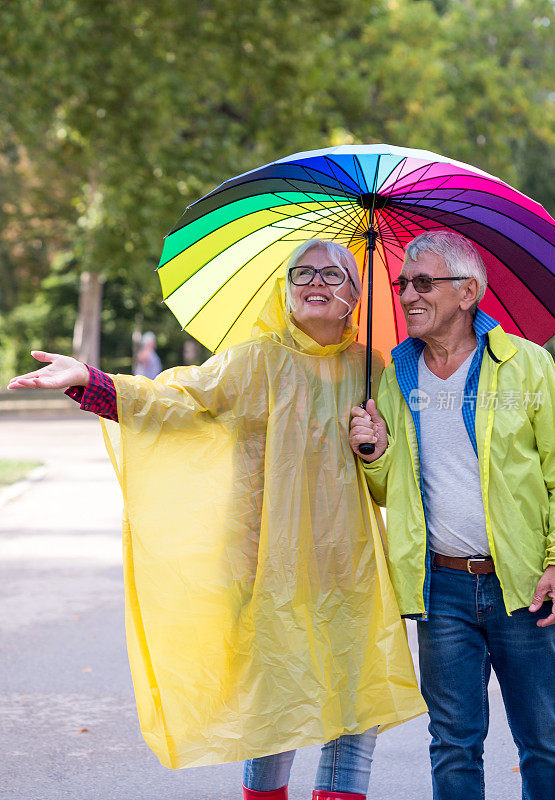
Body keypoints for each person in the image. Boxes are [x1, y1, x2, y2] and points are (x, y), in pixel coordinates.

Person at [8, 239, 426, 800]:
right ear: (287, 289)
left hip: (348, 566)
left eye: (334, 274)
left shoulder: (371, 368)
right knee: (276, 704)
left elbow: (393, 473)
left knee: (355, 703)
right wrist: (90, 380)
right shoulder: (256, 359)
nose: (316, 282)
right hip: (264, 562)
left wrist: (373, 448)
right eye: (303, 272)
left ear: (355, 295)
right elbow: (178, 400)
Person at [349, 230, 555, 800]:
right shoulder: (395, 375)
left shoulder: (525, 366)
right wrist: (373, 452)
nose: (406, 296)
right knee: (453, 742)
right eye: (404, 284)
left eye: (423, 283)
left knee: (542, 738)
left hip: (521, 584)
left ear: (468, 291)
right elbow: (388, 491)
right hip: (441, 586)